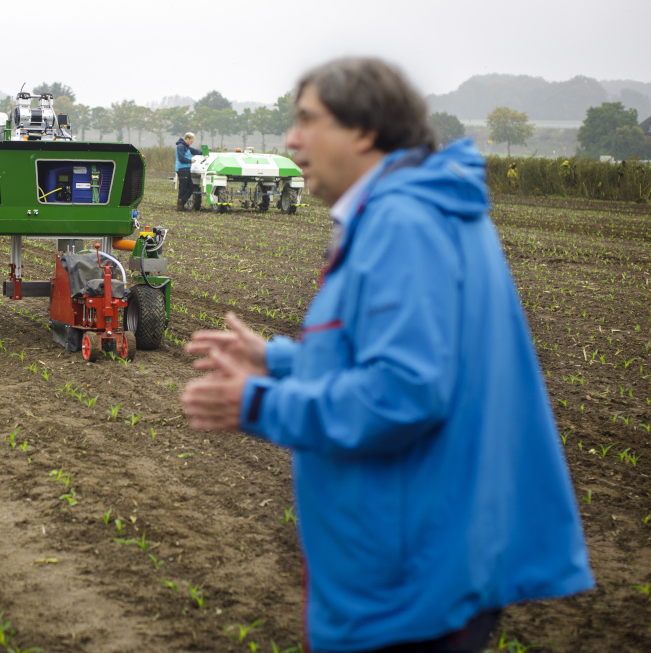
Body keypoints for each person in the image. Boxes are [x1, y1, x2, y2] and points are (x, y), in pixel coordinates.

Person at [180, 58, 592, 653]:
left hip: (411, 573)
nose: (291, 139)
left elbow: (402, 393)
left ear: (365, 131)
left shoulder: (403, 224)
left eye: (307, 121)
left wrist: (257, 402)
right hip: (428, 550)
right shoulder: (415, 210)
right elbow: (400, 356)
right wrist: (282, 361)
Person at [175, 132, 202, 211]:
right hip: (182, 169)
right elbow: (181, 158)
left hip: (186, 169)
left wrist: (203, 153)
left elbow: (194, 151)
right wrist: (190, 161)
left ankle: (181, 203)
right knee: (183, 188)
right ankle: (181, 204)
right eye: (191, 141)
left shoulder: (186, 147)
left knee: (190, 187)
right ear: (187, 139)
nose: (191, 143)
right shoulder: (181, 147)